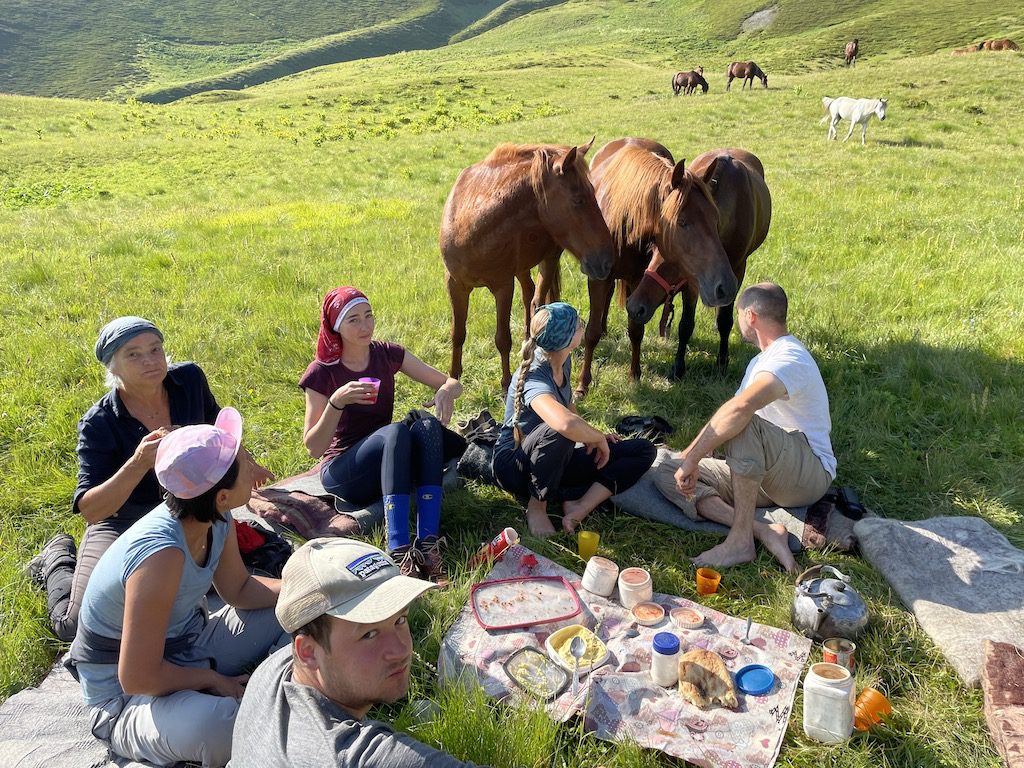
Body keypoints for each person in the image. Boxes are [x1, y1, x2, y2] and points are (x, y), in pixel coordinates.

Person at [27, 316, 274, 642]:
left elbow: (220, 431)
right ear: (112, 367)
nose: (150, 360)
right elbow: (91, 510)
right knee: (75, 624)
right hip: (121, 521)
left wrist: (247, 465)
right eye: (134, 354)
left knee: (229, 581)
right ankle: (57, 557)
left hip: (186, 508)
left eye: (155, 349)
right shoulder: (100, 422)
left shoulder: (188, 381)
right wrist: (139, 462)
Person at [70, 408, 289, 767]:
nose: (251, 467)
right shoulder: (161, 555)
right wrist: (214, 680)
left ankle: (260, 688)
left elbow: (238, 589)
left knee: (299, 609)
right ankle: (255, 692)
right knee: (225, 727)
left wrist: (299, 588)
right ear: (220, 495)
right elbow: (137, 676)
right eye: (242, 463)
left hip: (187, 646)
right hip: (124, 698)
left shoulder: (214, 517)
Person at [230, 537, 481, 768]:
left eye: (400, 620)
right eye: (368, 634)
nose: (401, 650)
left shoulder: (273, 670)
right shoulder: (350, 756)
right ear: (308, 652)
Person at [653, 283, 836, 572]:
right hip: (763, 472)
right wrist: (686, 460)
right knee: (666, 472)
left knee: (744, 420)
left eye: (738, 315)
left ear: (750, 316)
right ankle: (762, 530)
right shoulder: (759, 362)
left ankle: (740, 541)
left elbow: (739, 411)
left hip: (808, 474)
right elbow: (726, 416)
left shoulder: (790, 357)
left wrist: (694, 458)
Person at [300, 287, 463, 582]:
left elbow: (451, 382)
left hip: (388, 462)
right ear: (336, 326)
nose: (365, 326)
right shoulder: (322, 373)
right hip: (344, 474)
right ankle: (398, 549)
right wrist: (337, 401)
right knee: (396, 432)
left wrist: (446, 392)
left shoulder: (386, 354)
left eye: (369, 316)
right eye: (353, 320)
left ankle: (428, 545)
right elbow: (313, 447)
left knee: (426, 427)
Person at [491, 302, 657, 537]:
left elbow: (569, 407)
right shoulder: (533, 375)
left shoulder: (563, 360)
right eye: (578, 324)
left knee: (643, 449)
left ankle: (579, 506)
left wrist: (591, 435)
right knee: (561, 431)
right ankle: (537, 506)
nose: (582, 327)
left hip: (555, 456)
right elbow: (565, 423)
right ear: (567, 338)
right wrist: (594, 437)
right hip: (515, 465)